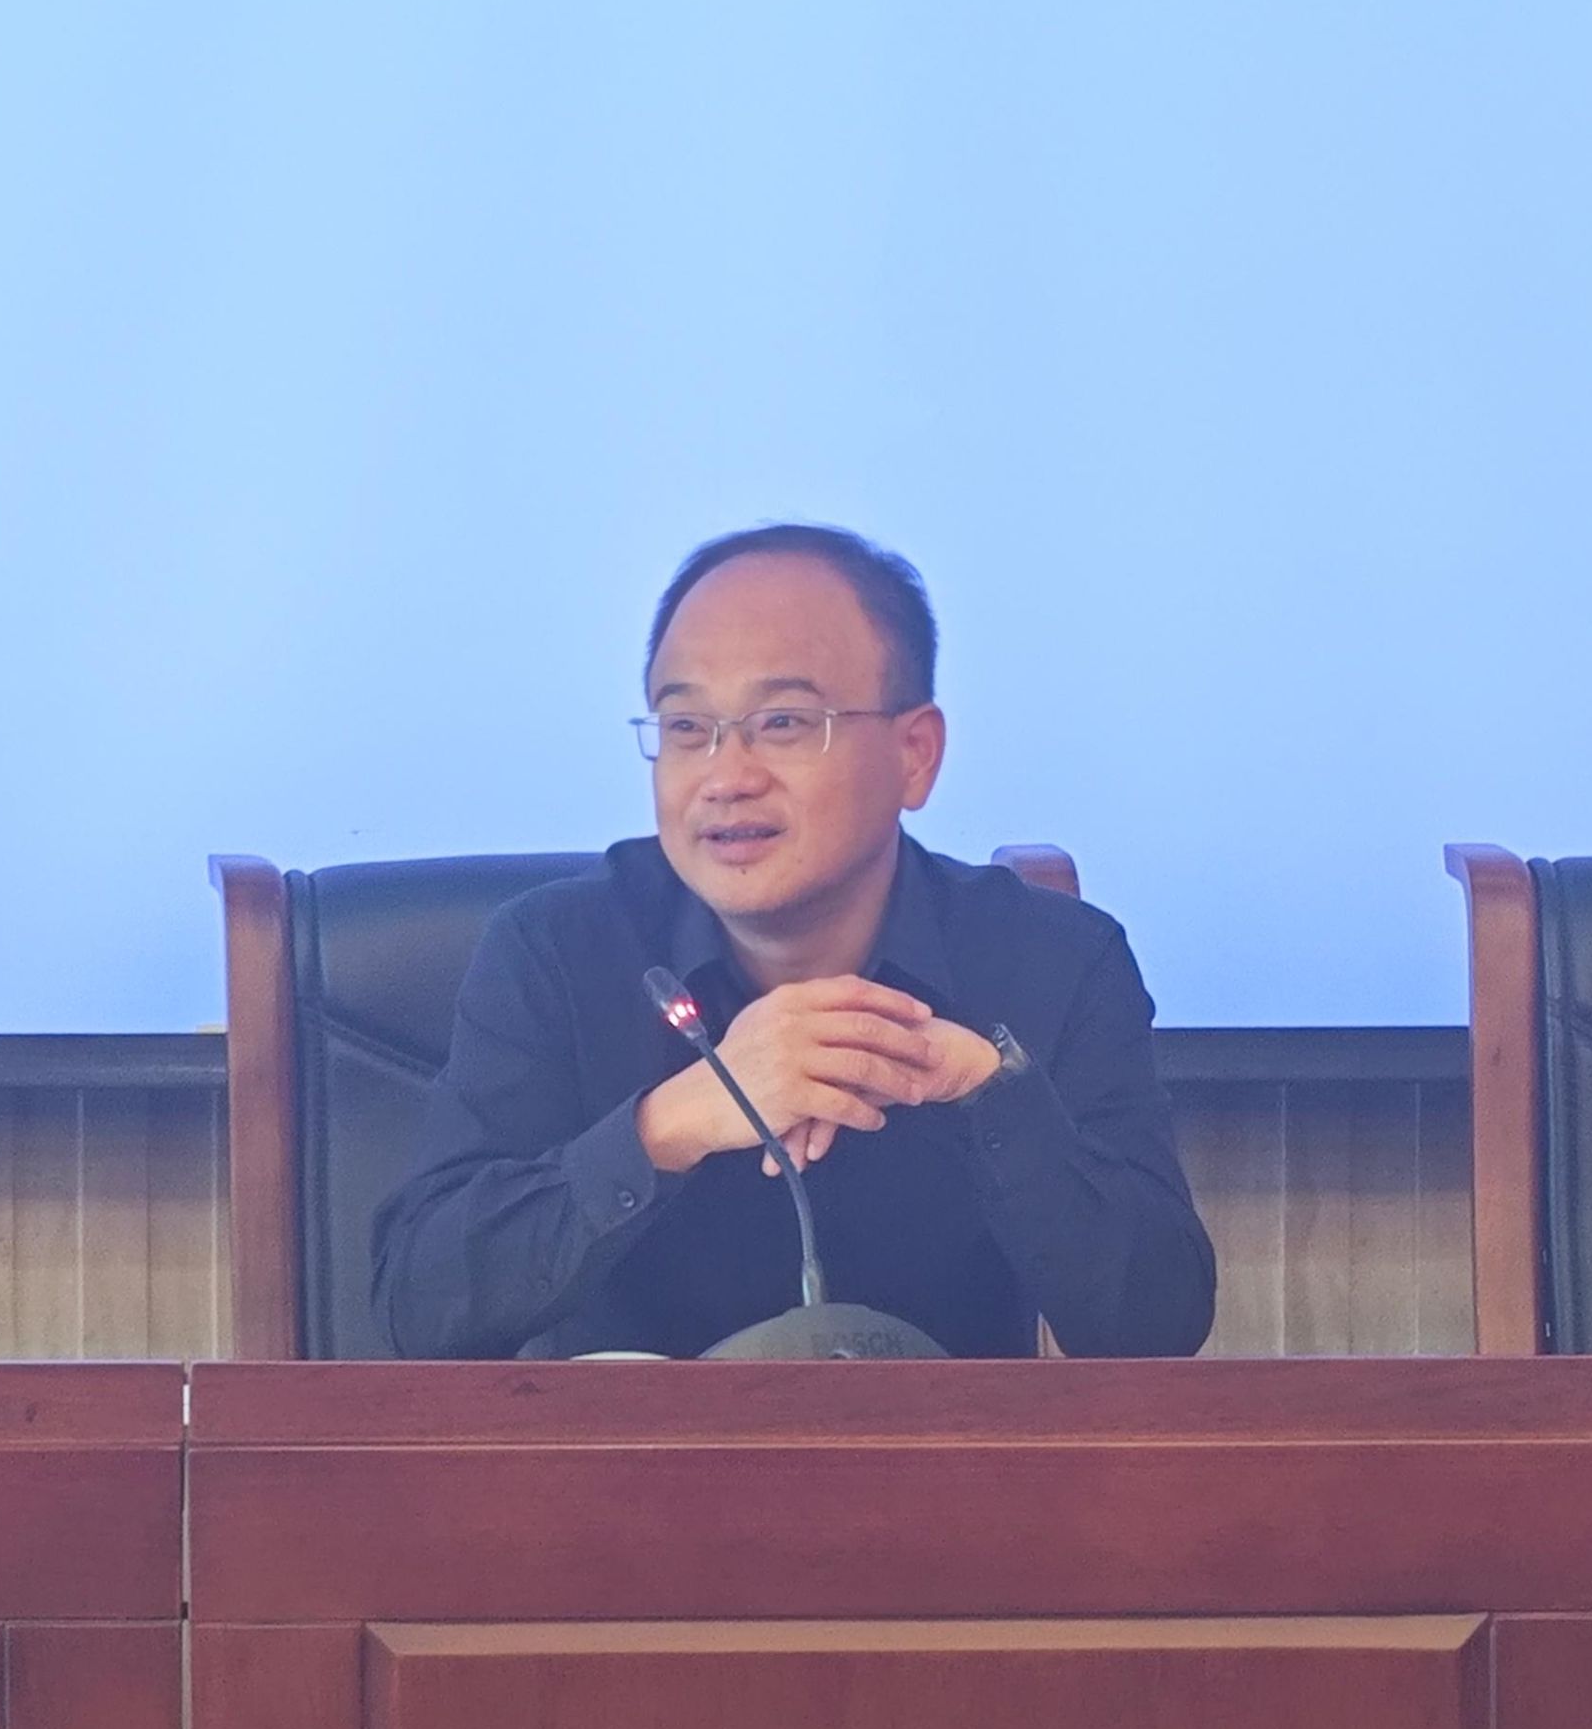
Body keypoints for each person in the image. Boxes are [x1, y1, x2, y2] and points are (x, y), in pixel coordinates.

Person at [372, 524, 1215, 1358]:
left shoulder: (1053, 960)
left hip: (940, 1450)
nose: (726, 777)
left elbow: (1157, 1328)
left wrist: (993, 1096)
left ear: (915, 755)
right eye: (686, 727)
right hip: (629, 1450)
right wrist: (671, 1127)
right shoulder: (554, 953)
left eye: (781, 722)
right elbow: (417, 1304)